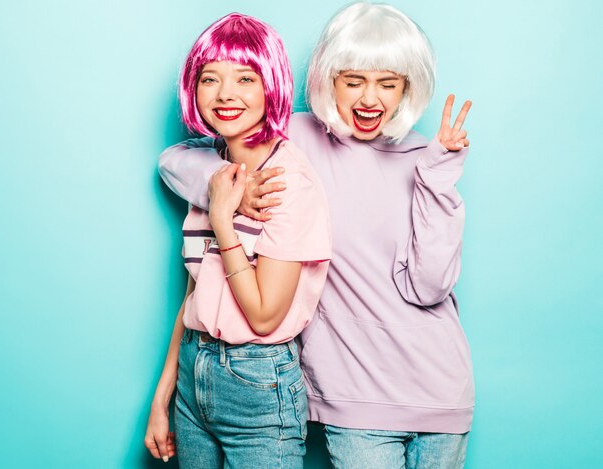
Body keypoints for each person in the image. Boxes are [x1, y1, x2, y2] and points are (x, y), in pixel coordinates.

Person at [158, 3, 474, 468]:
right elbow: (175, 158)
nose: (370, 99)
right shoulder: (296, 135)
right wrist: (226, 188)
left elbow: (430, 286)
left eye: (388, 84)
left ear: (408, 88)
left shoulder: (425, 160)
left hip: (440, 387)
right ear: (329, 80)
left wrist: (438, 179)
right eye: (354, 81)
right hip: (353, 394)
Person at [144, 13, 331, 468]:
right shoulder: (214, 169)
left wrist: (224, 222)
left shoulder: (288, 183)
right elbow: (196, 292)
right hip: (194, 369)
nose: (225, 94)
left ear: (271, 85)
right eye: (210, 78)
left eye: (245, 78)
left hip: (258, 381)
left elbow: (265, 315)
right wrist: (162, 397)